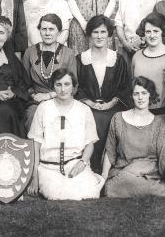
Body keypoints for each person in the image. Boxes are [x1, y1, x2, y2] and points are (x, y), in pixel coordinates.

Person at [27, 68, 104, 200]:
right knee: (57, 194)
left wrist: (82, 163)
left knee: (90, 192)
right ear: (53, 87)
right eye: (58, 84)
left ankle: (89, 178)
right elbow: (36, 143)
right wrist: (35, 176)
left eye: (67, 84)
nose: (63, 89)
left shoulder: (84, 110)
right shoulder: (43, 108)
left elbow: (90, 143)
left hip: (74, 165)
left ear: (74, 87)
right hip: (49, 167)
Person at [102, 76, 165, 198]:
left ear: (150, 95)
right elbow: (110, 152)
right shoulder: (118, 118)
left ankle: (150, 187)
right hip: (124, 169)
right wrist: (103, 179)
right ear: (132, 96)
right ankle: (158, 189)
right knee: (111, 187)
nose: (140, 97)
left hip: (148, 171)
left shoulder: (158, 123)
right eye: (136, 94)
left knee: (119, 185)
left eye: (144, 93)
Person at [76, 15, 130, 172]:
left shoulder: (118, 60)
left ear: (109, 34)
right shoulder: (81, 59)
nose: (99, 36)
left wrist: (110, 103)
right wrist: (91, 103)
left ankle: (110, 171)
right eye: (95, 32)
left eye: (103, 32)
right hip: (88, 106)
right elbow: (76, 88)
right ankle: (91, 170)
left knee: (110, 119)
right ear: (90, 35)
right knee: (94, 118)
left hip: (114, 107)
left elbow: (125, 87)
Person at [22, 13, 77, 130]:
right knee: (33, 115)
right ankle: (35, 147)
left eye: (51, 29)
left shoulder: (69, 53)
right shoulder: (29, 52)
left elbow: (74, 85)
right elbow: (23, 83)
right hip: (36, 101)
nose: (47, 33)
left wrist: (49, 95)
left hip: (62, 98)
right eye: (44, 29)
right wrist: (34, 95)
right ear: (39, 31)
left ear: (59, 32)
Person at [132, 12, 165, 116]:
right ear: (144, 33)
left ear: (162, 32)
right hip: (140, 114)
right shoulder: (137, 56)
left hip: (163, 114)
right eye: (148, 32)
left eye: (156, 31)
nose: (152, 35)